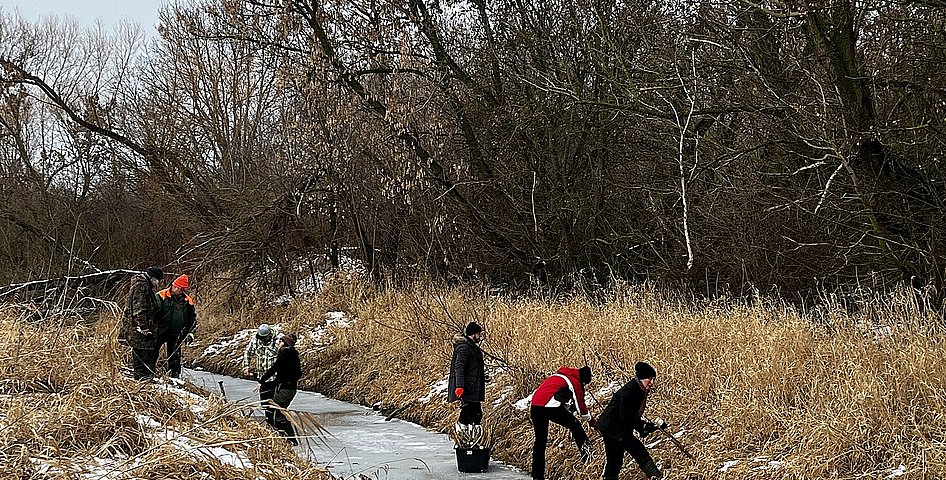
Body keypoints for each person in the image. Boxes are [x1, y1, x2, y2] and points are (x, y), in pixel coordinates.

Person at [595, 361, 667, 480]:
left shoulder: (640, 389)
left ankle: (609, 477)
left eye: (653, 379)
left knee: (615, 458)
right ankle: (656, 476)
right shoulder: (628, 392)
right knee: (637, 450)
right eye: (650, 379)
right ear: (642, 378)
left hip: (617, 426)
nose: (652, 383)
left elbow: (632, 415)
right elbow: (626, 416)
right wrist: (641, 426)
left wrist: (643, 427)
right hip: (612, 426)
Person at [529, 365, 594, 480]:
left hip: (535, 406)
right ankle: (588, 456)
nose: (584, 386)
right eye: (584, 384)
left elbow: (556, 396)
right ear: (583, 380)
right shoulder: (574, 381)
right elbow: (581, 407)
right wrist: (591, 420)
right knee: (575, 426)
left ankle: (537, 475)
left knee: (540, 441)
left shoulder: (558, 376)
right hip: (549, 407)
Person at [256, 333, 302, 445]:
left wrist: (262, 381)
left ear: (285, 343)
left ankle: (291, 440)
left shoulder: (287, 354)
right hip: (283, 387)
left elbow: (275, 368)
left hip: (287, 388)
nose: (278, 343)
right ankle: (280, 437)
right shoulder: (288, 354)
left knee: (277, 412)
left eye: (280, 341)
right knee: (272, 412)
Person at [118, 266, 163, 380]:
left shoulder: (144, 285)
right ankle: (141, 378)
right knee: (141, 352)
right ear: (153, 278)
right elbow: (139, 309)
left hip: (139, 325)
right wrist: (143, 326)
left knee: (142, 351)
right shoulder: (141, 287)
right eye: (158, 280)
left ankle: (143, 377)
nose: (158, 283)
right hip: (138, 327)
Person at [447, 322, 487, 434]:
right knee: (470, 413)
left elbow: (473, 368)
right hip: (467, 388)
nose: (480, 336)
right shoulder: (465, 349)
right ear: (473, 334)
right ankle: (463, 438)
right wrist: (459, 386)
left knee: (475, 414)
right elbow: (459, 368)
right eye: (479, 334)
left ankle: (470, 439)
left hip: (473, 387)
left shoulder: (472, 348)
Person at [155, 274, 197, 378]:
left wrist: (190, 333)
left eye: (180, 288)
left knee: (175, 356)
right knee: (152, 352)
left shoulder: (188, 301)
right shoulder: (161, 296)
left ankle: (175, 376)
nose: (177, 289)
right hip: (160, 330)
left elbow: (192, 318)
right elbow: (153, 313)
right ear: (173, 285)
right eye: (176, 286)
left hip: (177, 333)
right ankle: (149, 373)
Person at [243, 323, 282, 426]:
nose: (263, 340)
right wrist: (246, 367)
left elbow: (284, 357)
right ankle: (269, 424)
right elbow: (248, 352)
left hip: (276, 378)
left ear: (269, 335)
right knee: (265, 404)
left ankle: (277, 425)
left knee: (275, 404)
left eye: (265, 338)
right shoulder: (256, 340)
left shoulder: (278, 341)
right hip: (262, 379)